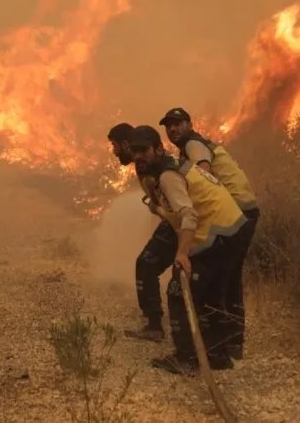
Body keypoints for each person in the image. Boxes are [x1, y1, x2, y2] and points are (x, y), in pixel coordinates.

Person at [128, 125, 246, 374]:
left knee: (178, 291)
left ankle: (186, 359)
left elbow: (188, 217)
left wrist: (182, 254)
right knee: (209, 296)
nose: (138, 156)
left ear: (158, 149)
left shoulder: (168, 176)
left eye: (144, 151)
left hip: (216, 232)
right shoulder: (170, 168)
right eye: (134, 151)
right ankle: (218, 357)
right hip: (231, 228)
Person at [159, 107, 258, 360]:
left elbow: (205, 175)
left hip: (238, 211)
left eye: (178, 124)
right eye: (168, 126)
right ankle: (230, 343)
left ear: (190, 124)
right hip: (242, 209)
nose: (173, 129)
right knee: (229, 277)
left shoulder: (194, 145)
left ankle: (225, 344)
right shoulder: (193, 145)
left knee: (225, 278)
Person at [107, 122, 176, 342]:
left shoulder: (151, 167)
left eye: (115, 145)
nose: (114, 151)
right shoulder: (145, 164)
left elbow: (169, 203)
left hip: (179, 222)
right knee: (148, 265)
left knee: (146, 264)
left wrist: (159, 210)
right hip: (176, 219)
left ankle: (155, 326)